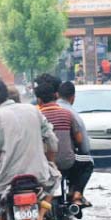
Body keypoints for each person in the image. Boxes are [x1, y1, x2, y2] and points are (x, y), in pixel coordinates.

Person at [0, 77, 60, 220]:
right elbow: (52, 142)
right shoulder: (33, 110)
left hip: (5, 179)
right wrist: (50, 163)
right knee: (56, 177)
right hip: (38, 175)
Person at [35, 77, 91, 208]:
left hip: (43, 164)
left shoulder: (35, 115)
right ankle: (76, 193)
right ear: (55, 95)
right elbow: (79, 140)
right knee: (88, 162)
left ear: (38, 100)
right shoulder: (68, 114)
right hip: (67, 163)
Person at [58, 81, 95, 206]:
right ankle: (76, 193)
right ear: (73, 97)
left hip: (44, 160)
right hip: (67, 159)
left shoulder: (40, 111)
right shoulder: (72, 114)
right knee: (87, 161)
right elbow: (83, 143)